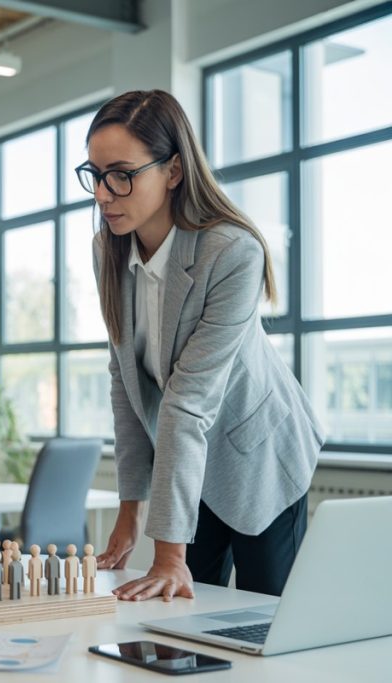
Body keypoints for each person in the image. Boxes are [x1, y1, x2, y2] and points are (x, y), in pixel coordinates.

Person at [82, 90, 324, 601]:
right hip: (188, 461)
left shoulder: (232, 251)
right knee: (183, 618)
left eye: (121, 174)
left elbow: (187, 400)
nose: (104, 194)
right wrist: (131, 512)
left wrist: (167, 555)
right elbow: (126, 387)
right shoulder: (109, 248)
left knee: (263, 617)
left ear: (172, 171)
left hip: (258, 454)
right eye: (96, 175)